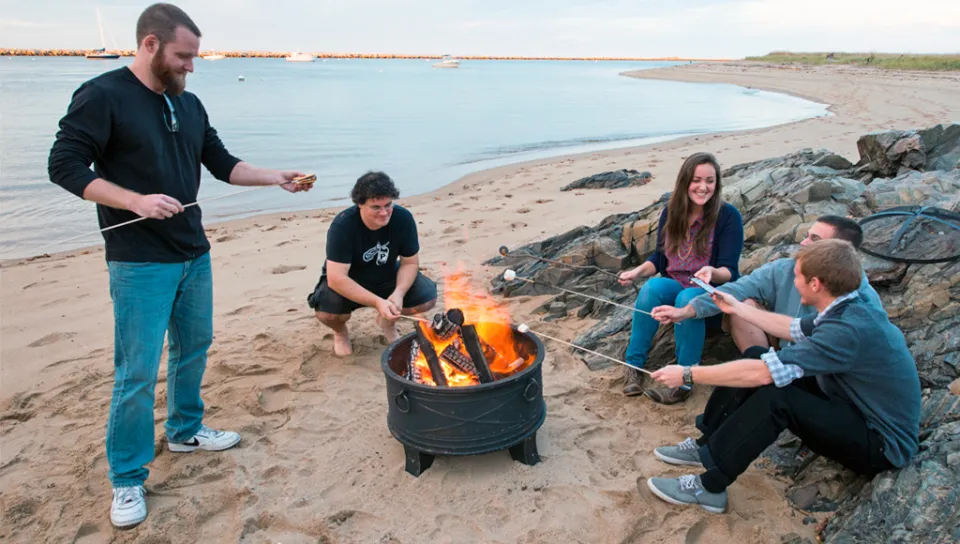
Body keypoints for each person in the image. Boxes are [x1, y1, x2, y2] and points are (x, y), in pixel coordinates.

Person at [47, 3, 311, 529]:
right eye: (184, 56)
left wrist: (275, 177)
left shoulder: (188, 104)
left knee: (194, 348)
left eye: (193, 56)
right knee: (137, 373)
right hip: (138, 260)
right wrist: (134, 200)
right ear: (150, 45)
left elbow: (222, 164)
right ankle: (127, 478)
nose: (192, 65)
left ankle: (186, 430)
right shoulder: (102, 95)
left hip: (194, 252)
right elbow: (64, 165)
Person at [645, 240, 921, 514]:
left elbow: (763, 374)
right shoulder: (846, 305)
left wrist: (688, 373)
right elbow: (793, 328)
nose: (792, 278)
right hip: (850, 406)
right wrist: (737, 308)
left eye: (797, 275)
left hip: (882, 444)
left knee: (778, 394)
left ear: (815, 284)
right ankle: (705, 445)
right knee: (756, 353)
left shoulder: (848, 330)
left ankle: (710, 487)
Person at [616, 152, 744, 404]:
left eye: (710, 180)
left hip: (710, 294)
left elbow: (730, 272)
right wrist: (636, 272)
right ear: (685, 181)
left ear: (717, 184)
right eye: (697, 180)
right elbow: (660, 259)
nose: (703, 187)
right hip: (675, 284)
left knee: (687, 297)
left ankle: (684, 380)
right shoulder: (671, 212)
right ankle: (634, 366)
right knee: (652, 287)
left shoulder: (728, 217)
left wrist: (711, 272)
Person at [652, 215, 883, 352]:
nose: (803, 243)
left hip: (822, 360)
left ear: (839, 251)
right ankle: (759, 366)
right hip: (782, 345)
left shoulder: (862, 298)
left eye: (814, 240)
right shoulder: (783, 268)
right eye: (807, 235)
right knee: (743, 303)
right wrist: (686, 311)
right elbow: (736, 289)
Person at [308, 171, 437, 355]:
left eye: (388, 205)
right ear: (360, 204)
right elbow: (336, 278)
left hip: (387, 275)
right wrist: (378, 303)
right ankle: (340, 333)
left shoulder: (402, 218)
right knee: (328, 312)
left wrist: (398, 293)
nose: (384, 213)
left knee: (427, 297)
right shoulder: (343, 226)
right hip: (350, 281)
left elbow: (409, 263)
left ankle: (387, 322)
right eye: (376, 207)